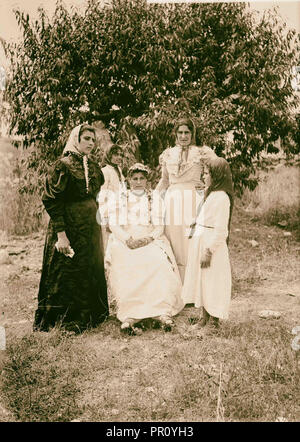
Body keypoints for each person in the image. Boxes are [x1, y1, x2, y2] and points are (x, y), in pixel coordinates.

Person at [33, 124, 109, 333]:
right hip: (69, 226)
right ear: (76, 139)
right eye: (86, 139)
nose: (90, 143)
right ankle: (66, 320)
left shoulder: (93, 166)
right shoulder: (63, 166)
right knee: (67, 269)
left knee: (88, 267)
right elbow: (52, 200)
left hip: (89, 227)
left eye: (93, 140)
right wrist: (61, 235)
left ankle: (90, 316)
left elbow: (94, 195)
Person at [105, 163, 184, 334]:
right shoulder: (119, 197)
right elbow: (114, 224)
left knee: (158, 262)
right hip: (126, 240)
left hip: (150, 239)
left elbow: (159, 226)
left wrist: (149, 238)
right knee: (126, 262)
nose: (138, 182)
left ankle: (162, 313)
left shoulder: (154, 197)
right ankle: (131, 315)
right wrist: (128, 240)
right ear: (128, 180)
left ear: (147, 180)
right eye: (135, 179)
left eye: (142, 178)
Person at [155, 117, 217, 282]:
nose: (183, 136)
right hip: (173, 201)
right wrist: (153, 197)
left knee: (192, 240)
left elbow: (215, 174)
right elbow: (165, 181)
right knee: (175, 242)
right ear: (175, 134)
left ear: (192, 133)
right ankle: (179, 285)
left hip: (193, 200)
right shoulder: (168, 154)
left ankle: (196, 285)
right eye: (180, 132)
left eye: (187, 132)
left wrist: (206, 189)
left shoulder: (202, 153)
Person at [182, 157, 234, 328]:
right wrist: (196, 224)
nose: (204, 177)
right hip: (202, 239)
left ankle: (214, 321)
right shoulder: (211, 194)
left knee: (213, 282)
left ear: (217, 175)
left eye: (206, 174)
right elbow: (206, 217)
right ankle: (203, 317)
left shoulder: (222, 198)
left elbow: (221, 230)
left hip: (212, 245)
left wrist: (209, 250)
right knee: (202, 280)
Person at [97, 144, 126, 252]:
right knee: (108, 243)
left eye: (120, 155)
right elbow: (102, 196)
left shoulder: (118, 170)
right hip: (109, 212)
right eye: (115, 154)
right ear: (109, 155)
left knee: (118, 243)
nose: (119, 157)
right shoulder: (105, 171)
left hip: (120, 211)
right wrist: (106, 218)